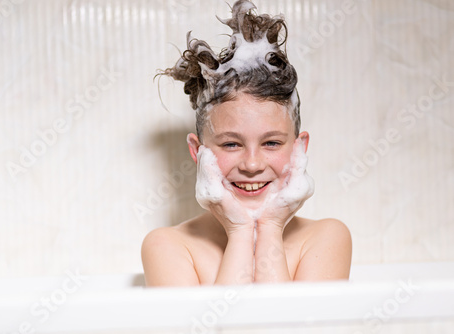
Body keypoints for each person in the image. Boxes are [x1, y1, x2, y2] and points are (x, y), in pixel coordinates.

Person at [141, 0, 352, 286]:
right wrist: (240, 230)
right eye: (231, 145)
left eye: (272, 143)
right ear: (198, 152)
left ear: (299, 149)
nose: (252, 165)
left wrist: (271, 226)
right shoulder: (169, 247)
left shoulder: (326, 238)